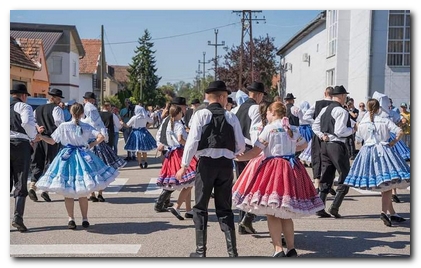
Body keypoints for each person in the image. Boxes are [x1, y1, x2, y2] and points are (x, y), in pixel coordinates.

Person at [233, 102, 324, 257]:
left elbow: (256, 151)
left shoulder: (269, 128)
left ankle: (278, 249)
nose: (266, 116)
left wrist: (240, 157)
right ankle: (291, 248)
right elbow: (304, 144)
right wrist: (289, 149)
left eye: (267, 113)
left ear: (272, 112)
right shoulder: (293, 128)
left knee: (272, 212)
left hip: (273, 169)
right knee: (286, 213)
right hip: (291, 168)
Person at [175, 80, 245, 257]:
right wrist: (232, 153)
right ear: (221, 97)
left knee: (200, 207)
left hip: (206, 164)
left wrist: (184, 165)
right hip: (225, 165)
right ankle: (232, 253)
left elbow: (192, 142)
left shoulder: (201, 114)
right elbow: (241, 145)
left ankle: (201, 252)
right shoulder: (231, 116)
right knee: (225, 208)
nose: (226, 100)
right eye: (226, 97)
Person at [35, 102, 119, 229]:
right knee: (83, 191)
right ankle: (85, 219)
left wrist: (41, 137)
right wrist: (91, 145)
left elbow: (52, 141)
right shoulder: (86, 125)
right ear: (81, 114)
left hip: (66, 157)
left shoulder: (64, 126)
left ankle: (71, 219)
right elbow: (101, 136)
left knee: (68, 191)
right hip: (82, 155)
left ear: (70, 112)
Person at [343, 98, 410, 226]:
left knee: (385, 184)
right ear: (379, 108)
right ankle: (384, 212)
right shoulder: (384, 120)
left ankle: (393, 213)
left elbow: (358, 140)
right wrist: (393, 142)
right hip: (384, 151)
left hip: (367, 153)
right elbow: (399, 131)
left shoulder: (362, 122)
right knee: (388, 185)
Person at [312, 85, 357, 218]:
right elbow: (340, 131)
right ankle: (335, 207)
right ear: (342, 96)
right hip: (337, 145)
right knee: (345, 175)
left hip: (325, 145)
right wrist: (353, 130)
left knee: (327, 174)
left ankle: (320, 207)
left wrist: (321, 135)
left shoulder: (325, 109)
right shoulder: (341, 111)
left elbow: (315, 125)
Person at [233, 81, 266, 235]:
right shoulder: (256, 108)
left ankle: (242, 222)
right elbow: (255, 131)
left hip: (237, 150)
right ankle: (247, 217)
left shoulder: (236, 108)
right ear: (259, 95)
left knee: (243, 186)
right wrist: (258, 149)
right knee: (258, 185)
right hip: (250, 149)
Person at [82, 92, 126, 202]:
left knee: (91, 170)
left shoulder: (84, 121)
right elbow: (103, 134)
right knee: (101, 169)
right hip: (99, 145)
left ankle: (93, 193)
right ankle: (99, 193)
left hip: (90, 146)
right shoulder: (97, 121)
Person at [10, 84, 42, 232]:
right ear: (23, 95)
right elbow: (27, 123)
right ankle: (17, 217)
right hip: (20, 143)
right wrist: (33, 137)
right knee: (20, 180)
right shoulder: (24, 107)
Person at [157, 105, 196, 220]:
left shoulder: (167, 122)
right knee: (191, 181)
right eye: (181, 112)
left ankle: (189, 210)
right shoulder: (178, 124)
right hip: (180, 153)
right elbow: (179, 139)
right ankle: (177, 206)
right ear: (178, 113)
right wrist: (188, 144)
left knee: (187, 182)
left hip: (171, 154)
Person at [29, 88, 65, 202]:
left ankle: (32, 186)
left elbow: (33, 121)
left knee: (37, 162)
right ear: (53, 98)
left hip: (39, 138)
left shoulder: (38, 109)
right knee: (50, 163)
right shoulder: (57, 109)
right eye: (58, 98)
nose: (59, 101)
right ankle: (45, 190)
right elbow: (60, 124)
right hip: (51, 138)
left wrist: (38, 129)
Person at [154, 97, 188, 213]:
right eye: (183, 107)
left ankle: (165, 202)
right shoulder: (172, 121)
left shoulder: (171, 120)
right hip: (172, 152)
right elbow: (160, 134)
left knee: (171, 178)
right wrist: (160, 143)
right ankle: (160, 203)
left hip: (169, 151)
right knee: (174, 179)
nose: (185, 109)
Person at [303, 86, 335, 196]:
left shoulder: (317, 104)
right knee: (330, 158)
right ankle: (328, 183)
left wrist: (315, 123)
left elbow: (306, 116)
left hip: (318, 133)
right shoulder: (336, 105)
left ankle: (317, 183)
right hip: (331, 133)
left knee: (317, 156)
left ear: (324, 93)